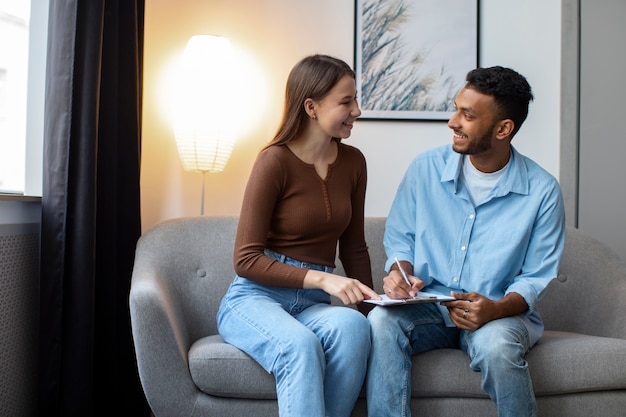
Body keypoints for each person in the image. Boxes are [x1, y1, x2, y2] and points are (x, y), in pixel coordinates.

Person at [366, 66, 566, 417]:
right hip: (429, 304)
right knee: (381, 322)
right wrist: (402, 272)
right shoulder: (425, 169)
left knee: (498, 346)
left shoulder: (543, 191)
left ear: (504, 129)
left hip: (497, 312)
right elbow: (401, 238)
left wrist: (495, 309)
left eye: (467, 115)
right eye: (456, 108)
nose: (452, 122)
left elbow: (536, 276)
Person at [217, 54, 380, 417]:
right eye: (346, 102)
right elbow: (245, 260)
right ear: (311, 106)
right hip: (254, 300)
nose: (357, 110)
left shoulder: (354, 163)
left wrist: (375, 311)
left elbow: (354, 248)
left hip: (311, 306)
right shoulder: (273, 161)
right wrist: (322, 278)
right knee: (300, 346)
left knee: (354, 327)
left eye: (355, 99)